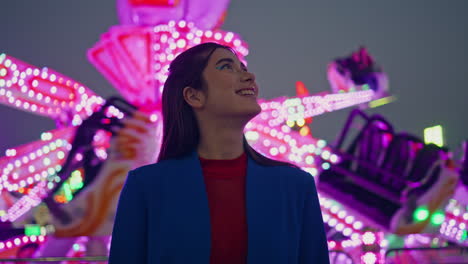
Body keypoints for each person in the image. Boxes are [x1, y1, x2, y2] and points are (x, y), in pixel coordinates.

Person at [108, 42, 329, 263]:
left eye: (243, 68)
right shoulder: (146, 187)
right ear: (194, 96)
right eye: (226, 67)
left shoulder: (296, 187)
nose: (250, 76)